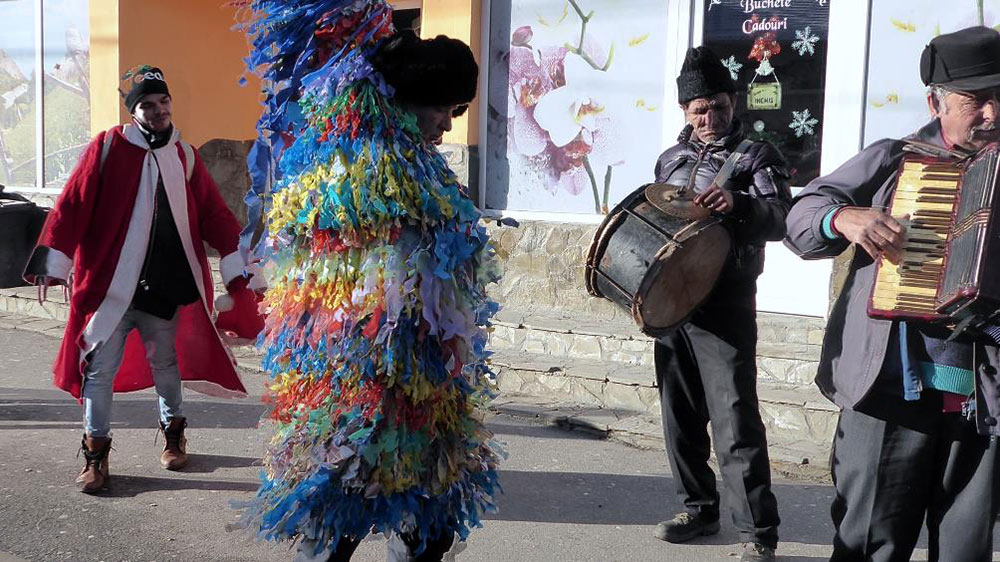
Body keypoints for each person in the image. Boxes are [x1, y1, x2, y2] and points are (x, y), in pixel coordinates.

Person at [229, 4, 501, 562]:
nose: (449, 125)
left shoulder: (398, 160)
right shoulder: (374, 167)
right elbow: (406, 266)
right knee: (344, 504)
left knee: (413, 517)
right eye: (447, 111)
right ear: (416, 102)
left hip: (409, 375)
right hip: (366, 369)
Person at [784, 26, 1000, 561]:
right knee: (868, 545)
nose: (993, 115)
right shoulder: (892, 162)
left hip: (983, 401)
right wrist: (843, 217)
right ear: (937, 102)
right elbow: (801, 216)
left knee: (964, 552)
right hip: (891, 395)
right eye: (976, 101)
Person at [24, 65, 255, 494]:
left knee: (166, 365)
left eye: (162, 102)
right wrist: (52, 261)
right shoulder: (108, 147)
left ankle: (173, 436)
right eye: (147, 105)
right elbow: (72, 203)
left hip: (165, 285)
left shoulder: (183, 155)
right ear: (134, 112)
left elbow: (213, 213)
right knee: (99, 370)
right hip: (110, 286)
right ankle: (96, 456)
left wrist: (237, 258)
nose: (158, 111)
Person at [650, 46, 789, 562]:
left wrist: (742, 204)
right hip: (672, 299)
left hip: (726, 299)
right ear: (686, 112)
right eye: (699, 110)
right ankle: (698, 508)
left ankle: (758, 534)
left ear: (734, 102)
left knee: (734, 416)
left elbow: (781, 218)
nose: (710, 118)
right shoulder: (671, 159)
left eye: (719, 106)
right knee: (678, 415)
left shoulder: (757, 156)